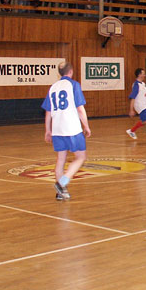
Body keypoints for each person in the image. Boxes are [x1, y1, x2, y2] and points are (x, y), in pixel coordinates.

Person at [42, 62, 91, 201]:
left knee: (61, 160)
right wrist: (86, 126)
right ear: (71, 71)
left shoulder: (53, 87)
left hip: (57, 128)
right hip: (72, 127)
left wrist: (48, 130)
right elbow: (80, 108)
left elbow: (48, 111)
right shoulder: (74, 85)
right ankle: (62, 183)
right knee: (81, 157)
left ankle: (61, 193)